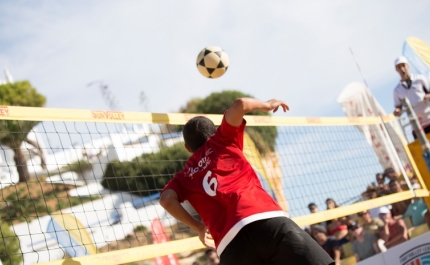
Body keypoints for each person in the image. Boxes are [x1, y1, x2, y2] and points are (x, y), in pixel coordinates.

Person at [160, 98, 334, 265]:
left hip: (231, 246)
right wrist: (267, 104)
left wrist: (198, 227)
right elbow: (240, 104)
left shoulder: (185, 175)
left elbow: (166, 199)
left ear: (188, 149)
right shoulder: (222, 140)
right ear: (214, 132)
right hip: (265, 221)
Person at [392, 56, 430, 139]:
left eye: (403, 65)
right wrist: (397, 111)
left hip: (428, 118)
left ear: (407, 66)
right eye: (399, 67)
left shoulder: (420, 79)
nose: (402, 69)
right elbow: (398, 106)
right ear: (396, 69)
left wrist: (428, 95)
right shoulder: (397, 90)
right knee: (424, 150)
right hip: (415, 125)